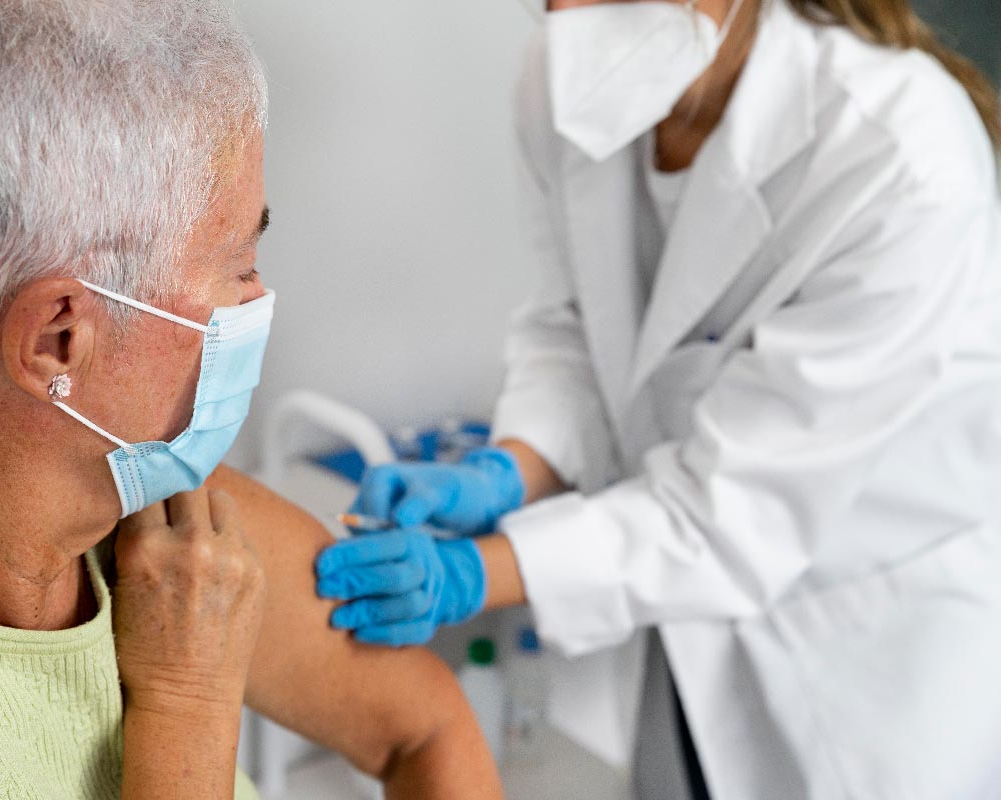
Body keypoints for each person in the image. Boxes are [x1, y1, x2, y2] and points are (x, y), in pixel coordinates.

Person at [0, 2, 505, 798]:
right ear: (58, 340)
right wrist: (188, 703)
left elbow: (428, 726)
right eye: (239, 264)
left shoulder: (157, 516)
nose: (261, 296)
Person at [316, 0, 1001, 797]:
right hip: (679, 623)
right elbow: (573, 329)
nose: (568, 14)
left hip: (867, 662)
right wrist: (512, 468)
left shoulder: (899, 154)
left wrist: (469, 574)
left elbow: (731, 515)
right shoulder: (564, 79)